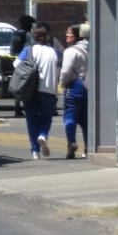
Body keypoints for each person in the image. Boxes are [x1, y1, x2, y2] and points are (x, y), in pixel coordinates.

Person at [20, 24, 61, 159]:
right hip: (49, 90)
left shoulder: (29, 50)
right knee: (46, 118)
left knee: (31, 120)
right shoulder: (53, 52)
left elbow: (16, 64)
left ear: (34, 37)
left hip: (30, 90)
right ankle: (43, 135)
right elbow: (58, 67)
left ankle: (35, 151)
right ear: (46, 37)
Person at [60, 24, 90, 159]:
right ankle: (89, 147)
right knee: (85, 119)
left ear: (77, 35)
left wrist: (62, 83)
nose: (67, 35)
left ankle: (71, 142)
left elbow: (66, 71)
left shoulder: (71, 51)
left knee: (69, 115)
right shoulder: (92, 48)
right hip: (90, 86)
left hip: (75, 85)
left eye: (69, 33)